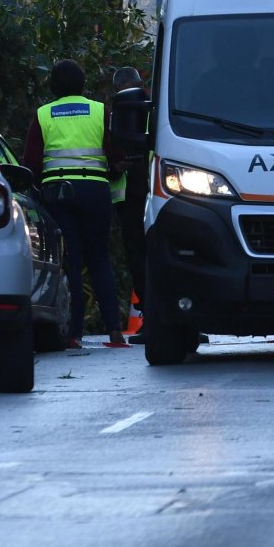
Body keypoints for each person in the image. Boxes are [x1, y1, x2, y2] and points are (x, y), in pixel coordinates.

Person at [23, 59, 126, 349]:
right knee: (100, 259)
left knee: (72, 262)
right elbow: (116, 153)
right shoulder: (98, 111)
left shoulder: (44, 115)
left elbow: (30, 163)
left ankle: (74, 334)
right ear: (83, 84)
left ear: (54, 86)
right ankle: (116, 331)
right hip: (95, 190)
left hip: (58, 194)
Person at [112, 66, 149, 345]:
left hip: (142, 194)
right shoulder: (147, 111)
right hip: (141, 194)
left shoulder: (138, 112)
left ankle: (159, 318)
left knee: (142, 258)